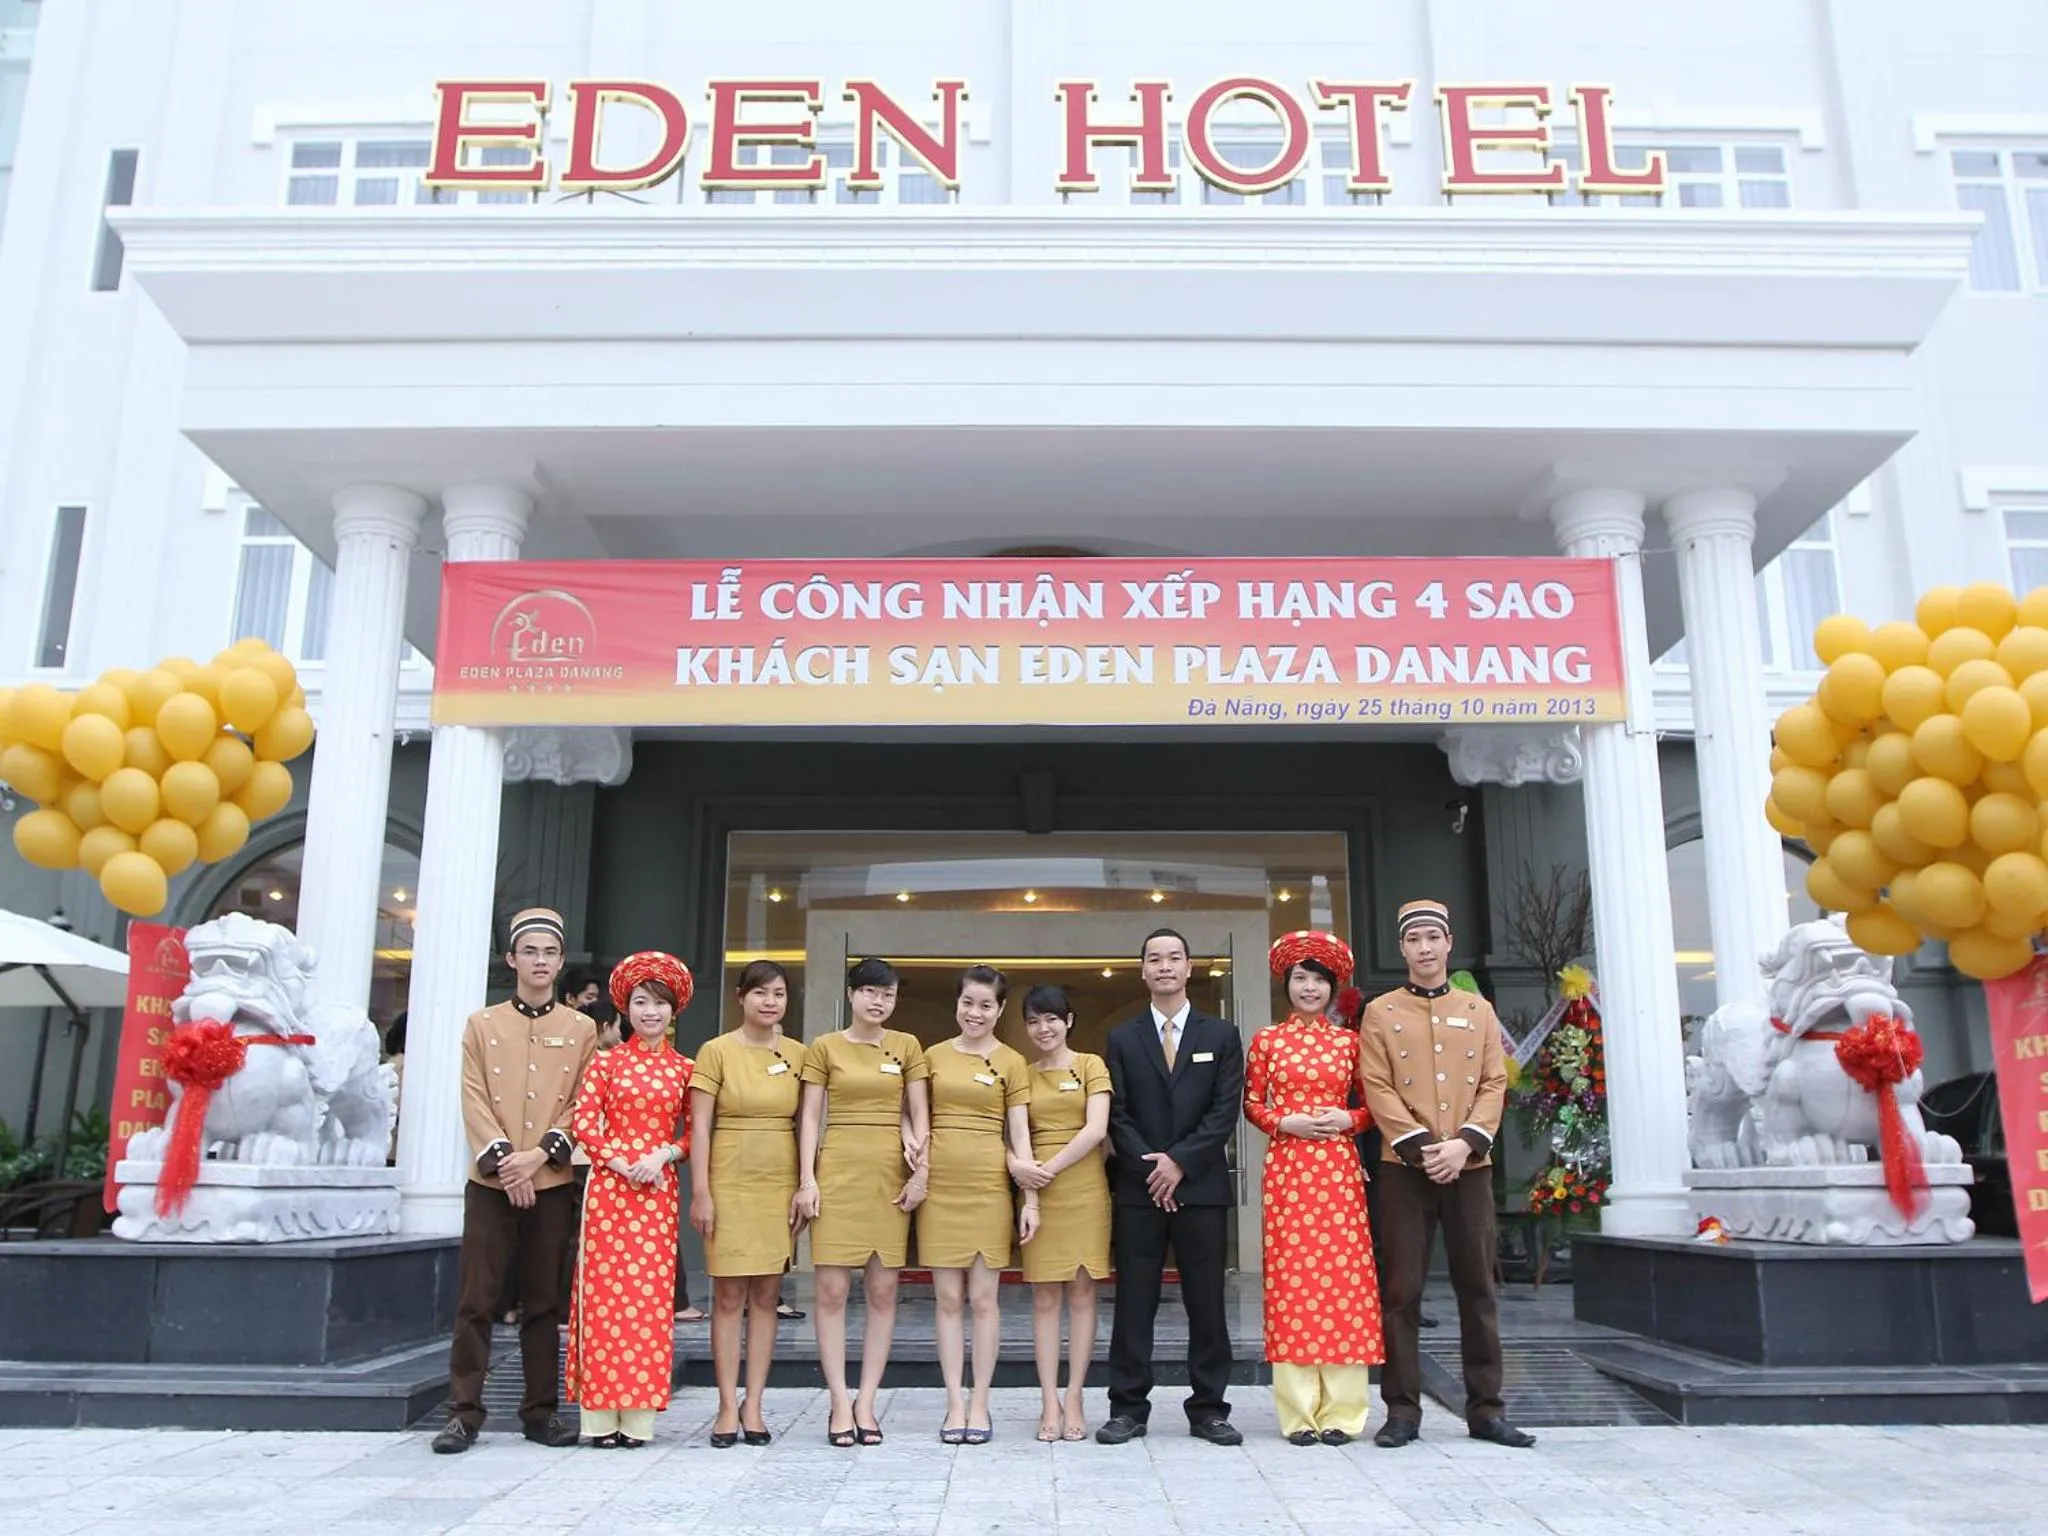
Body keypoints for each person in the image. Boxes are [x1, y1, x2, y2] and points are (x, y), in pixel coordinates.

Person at [1357, 899, 1534, 1451]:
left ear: (1448, 943)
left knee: (1477, 1288)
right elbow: (1376, 1085)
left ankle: (1486, 1410)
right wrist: (1421, 1147)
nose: (1425, 948)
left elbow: (1492, 1082)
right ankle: (1402, 1411)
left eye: (1434, 937)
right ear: (1403, 949)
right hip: (1404, 1169)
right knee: (1402, 1291)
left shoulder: (1477, 1009)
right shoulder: (1381, 1011)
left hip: (1470, 1165)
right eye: (1415, 940)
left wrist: (1464, 1144)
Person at [433, 908, 597, 1454]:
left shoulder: (580, 1029)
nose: (541, 962)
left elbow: (583, 1099)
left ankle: (540, 1411)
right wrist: (505, 1161)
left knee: (544, 1300)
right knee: (476, 1298)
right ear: (512, 959)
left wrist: (539, 1157)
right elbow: (473, 1095)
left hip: (548, 1181)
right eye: (531, 952)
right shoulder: (483, 1024)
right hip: (491, 1181)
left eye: (550, 953)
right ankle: (463, 1411)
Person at [1097, 927, 1244, 1447]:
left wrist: (1178, 1162)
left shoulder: (1221, 1036)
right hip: (1140, 1190)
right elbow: (1116, 1113)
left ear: (1189, 968)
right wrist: (1152, 1167)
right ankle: (1127, 1408)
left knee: (1206, 1302)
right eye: (1154, 959)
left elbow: (1224, 1111)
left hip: (1200, 1188)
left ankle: (1209, 1409)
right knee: (1135, 1301)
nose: (1164, 966)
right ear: (1142, 970)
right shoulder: (1122, 1037)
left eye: (1174, 958)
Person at [1247, 932, 1384, 1446]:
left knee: (1344, 1285)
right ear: (1287, 984)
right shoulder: (1267, 1041)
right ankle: (1298, 1413)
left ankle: (1344, 1413)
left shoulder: (1351, 1042)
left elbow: (1374, 1106)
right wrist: (1287, 1122)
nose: (1309, 988)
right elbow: (1252, 1103)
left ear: (1332, 988)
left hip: (1338, 1169)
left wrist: (1344, 1118)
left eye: (1318, 980)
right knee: (1293, 1284)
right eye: (1300, 979)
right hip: (1287, 1169)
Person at [562, 951, 695, 1448]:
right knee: (602, 1302)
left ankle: (638, 1420)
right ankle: (599, 1420)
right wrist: (620, 1162)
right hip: (610, 1192)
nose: (650, 1012)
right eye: (641, 1002)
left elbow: (693, 1133)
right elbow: (584, 1123)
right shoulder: (606, 1064)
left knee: (647, 1304)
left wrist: (663, 1153)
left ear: (673, 1010)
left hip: (657, 1194)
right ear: (625, 1009)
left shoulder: (686, 1069)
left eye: (660, 1004)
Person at [796, 957, 931, 1447]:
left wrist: (921, 1170)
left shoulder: (907, 1046)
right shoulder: (825, 1047)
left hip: (889, 1176)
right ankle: (837, 1400)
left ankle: (867, 1401)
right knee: (830, 1293)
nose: (879, 1002)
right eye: (871, 992)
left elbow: (918, 1113)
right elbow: (810, 1117)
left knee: (882, 1293)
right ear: (851, 995)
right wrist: (807, 1179)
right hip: (837, 1172)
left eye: (889, 994)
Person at [690, 959, 805, 1447]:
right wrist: (701, 1192)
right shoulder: (716, 1051)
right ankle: (723, 1403)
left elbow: (810, 1123)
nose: (770, 1001)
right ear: (741, 997)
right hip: (729, 1176)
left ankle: (753, 1402)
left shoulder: (801, 1054)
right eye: (760, 992)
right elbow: (698, 1126)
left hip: (779, 1179)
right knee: (729, 1295)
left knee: (766, 1295)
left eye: (778, 993)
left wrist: (805, 1184)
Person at [918, 965, 1032, 1445]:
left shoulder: (1012, 1062)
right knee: (947, 1300)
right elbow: (915, 1117)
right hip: (941, 1186)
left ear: (1000, 1009)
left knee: (984, 1300)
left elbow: (1020, 1135)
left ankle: (981, 1403)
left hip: (988, 1187)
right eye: (968, 1003)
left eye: (986, 1005)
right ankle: (954, 1403)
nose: (975, 1013)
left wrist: (1030, 1198)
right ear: (957, 1004)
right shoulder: (932, 1056)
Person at [1013, 984, 1112, 1443]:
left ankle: (1075, 1395)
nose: (1043, 1028)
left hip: (1081, 1186)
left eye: (1051, 1018)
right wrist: (1026, 1180)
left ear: (1068, 1021)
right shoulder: (1021, 1073)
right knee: (1044, 1297)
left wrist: (1045, 1170)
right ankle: (1048, 1399)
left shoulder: (1090, 1065)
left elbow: (1096, 1129)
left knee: (1082, 1293)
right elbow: (1012, 1134)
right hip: (1037, 1189)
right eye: (1033, 1021)